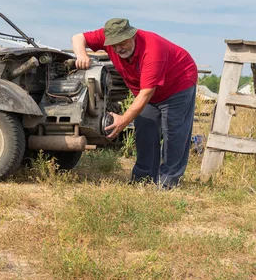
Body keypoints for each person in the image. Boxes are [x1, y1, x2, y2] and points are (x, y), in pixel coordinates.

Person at [72, 18, 197, 189]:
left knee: (174, 132)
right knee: (144, 129)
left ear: (132, 35)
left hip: (178, 83)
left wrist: (123, 120)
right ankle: (143, 178)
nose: (117, 48)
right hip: (145, 90)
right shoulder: (109, 36)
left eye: (122, 43)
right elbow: (78, 37)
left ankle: (168, 181)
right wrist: (81, 54)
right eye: (113, 45)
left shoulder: (152, 50)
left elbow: (147, 93)